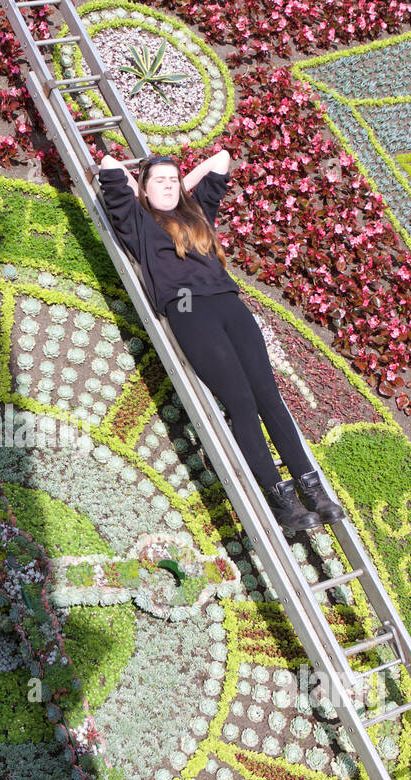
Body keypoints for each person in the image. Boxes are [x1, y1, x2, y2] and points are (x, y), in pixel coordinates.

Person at [94, 150, 344, 533]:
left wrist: (181, 188)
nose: (167, 185)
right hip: (189, 307)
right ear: (142, 188)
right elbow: (110, 165)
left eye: (172, 180)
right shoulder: (138, 221)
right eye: (157, 180)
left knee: (268, 396)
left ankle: (315, 490)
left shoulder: (197, 217)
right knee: (241, 402)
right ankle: (283, 500)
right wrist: (145, 187)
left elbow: (222, 160)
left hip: (229, 304)